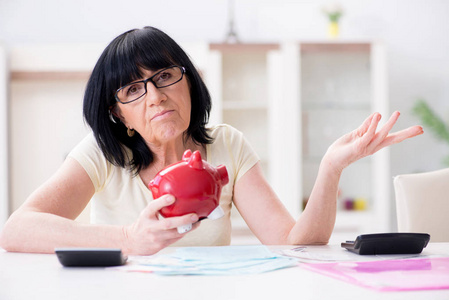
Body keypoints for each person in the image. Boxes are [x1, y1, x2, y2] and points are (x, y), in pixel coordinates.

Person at [0, 26, 423, 255]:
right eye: (133, 89)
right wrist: (129, 239)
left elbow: (296, 244)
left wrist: (330, 168)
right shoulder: (101, 153)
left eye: (165, 76)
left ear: (188, 81)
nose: (156, 95)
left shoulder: (227, 146)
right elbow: (17, 230)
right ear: (118, 113)